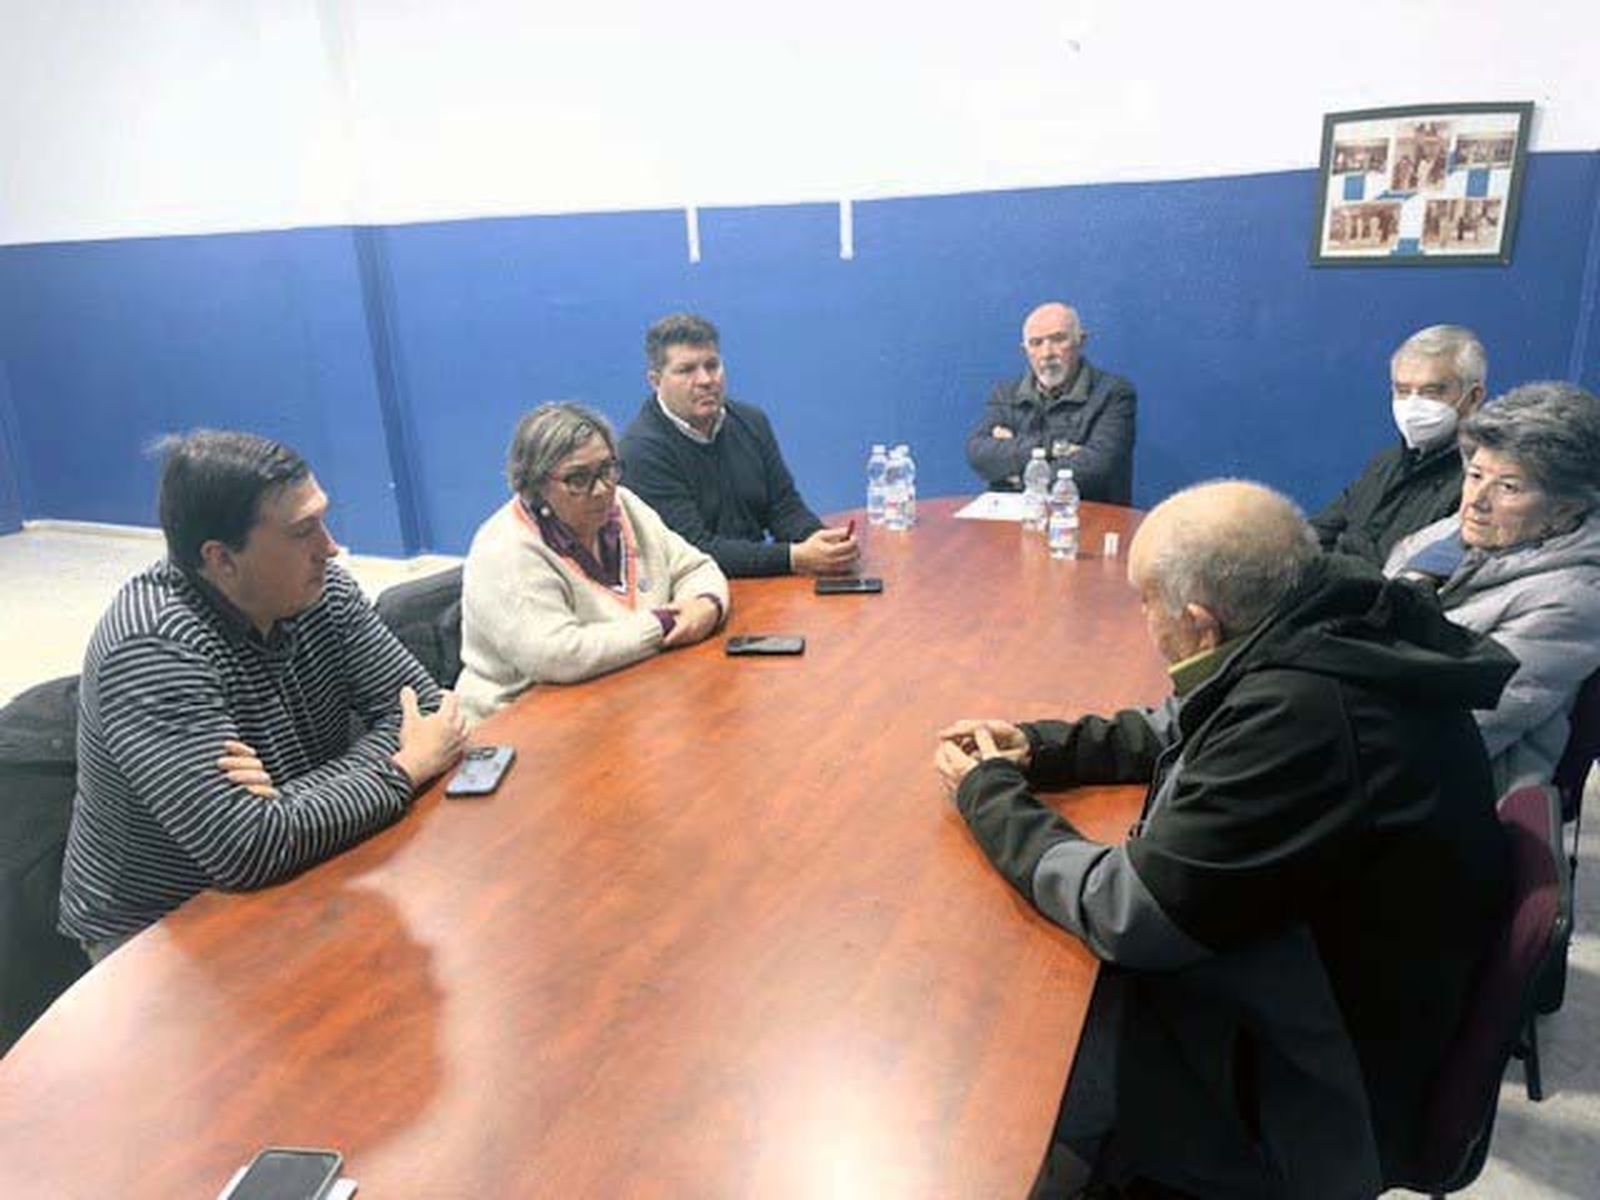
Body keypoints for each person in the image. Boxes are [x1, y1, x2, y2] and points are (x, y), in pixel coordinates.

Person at [935, 480, 1512, 1198]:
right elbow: (1192, 718)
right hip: (1334, 975)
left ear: (1202, 624)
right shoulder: (1323, 625)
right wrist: (1041, 748)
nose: (1145, 621)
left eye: (1147, 604)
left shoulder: (1305, 716)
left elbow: (1130, 913)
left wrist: (988, 795)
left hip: (1304, 1080)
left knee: (998, 1046)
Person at [58, 431, 467, 960]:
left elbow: (425, 710)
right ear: (222, 559)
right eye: (303, 531)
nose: (331, 546)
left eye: (322, 518)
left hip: (301, 866)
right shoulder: (150, 646)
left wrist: (286, 804)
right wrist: (404, 767)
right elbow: (246, 847)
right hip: (162, 931)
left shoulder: (323, 590)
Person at [1387, 381, 1600, 793]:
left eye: (1508, 487)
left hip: (1452, 796)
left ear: (1566, 509)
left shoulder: (1575, 600)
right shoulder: (1444, 537)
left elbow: (1461, 729)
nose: (1475, 501)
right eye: (1475, 474)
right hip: (1374, 747)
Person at [457, 403, 730, 721]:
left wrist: (705, 605)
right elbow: (559, 655)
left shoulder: (623, 504)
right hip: (520, 722)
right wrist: (665, 624)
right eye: (578, 479)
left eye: (607, 469)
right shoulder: (505, 548)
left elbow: (696, 567)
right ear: (536, 485)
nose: (601, 490)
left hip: (625, 690)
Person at [618, 313, 858, 578]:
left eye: (712, 365)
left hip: (759, 582)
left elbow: (784, 507)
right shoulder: (640, 451)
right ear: (655, 381)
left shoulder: (751, 422)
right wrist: (793, 557)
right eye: (686, 370)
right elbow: (694, 550)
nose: (706, 380)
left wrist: (820, 541)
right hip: (692, 595)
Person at [1311, 324, 1487, 565]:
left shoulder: (1482, 479)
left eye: (1431, 392)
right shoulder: (1385, 463)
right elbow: (1313, 537)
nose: (1413, 405)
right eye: (1403, 391)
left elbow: (1406, 573)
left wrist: (1346, 548)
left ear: (1474, 397)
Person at [965, 302, 1137, 503]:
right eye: (1036, 343)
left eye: (1058, 339)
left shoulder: (1114, 393)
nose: (1047, 353)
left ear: (1081, 341)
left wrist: (1015, 474)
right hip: (1013, 520)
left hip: (1088, 517)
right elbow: (978, 453)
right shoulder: (1005, 394)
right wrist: (1052, 449)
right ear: (1025, 350)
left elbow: (1099, 466)